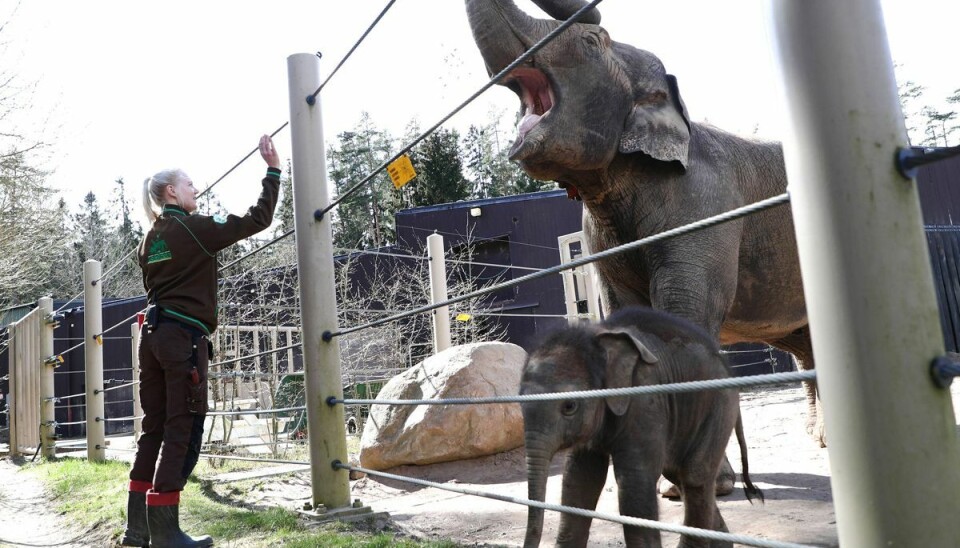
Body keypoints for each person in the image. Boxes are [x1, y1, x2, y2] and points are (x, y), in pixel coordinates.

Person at [122, 135, 281, 547]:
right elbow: (257, 220)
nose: (197, 190)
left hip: (151, 338)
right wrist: (273, 171)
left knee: (152, 428)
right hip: (181, 340)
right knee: (182, 427)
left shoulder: (149, 240)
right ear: (172, 191)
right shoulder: (193, 229)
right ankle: (166, 533)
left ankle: (137, 530)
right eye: (190, 185)